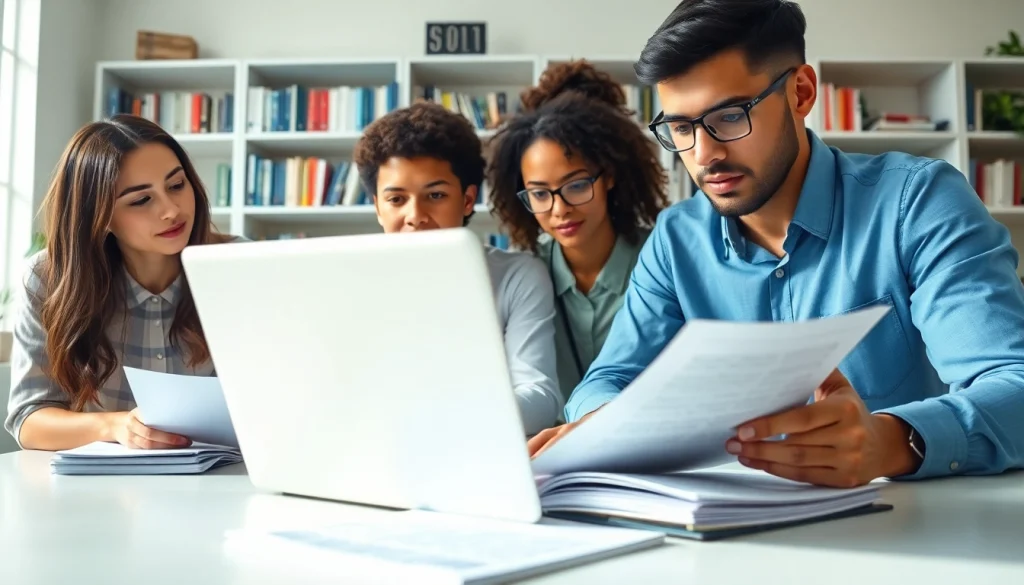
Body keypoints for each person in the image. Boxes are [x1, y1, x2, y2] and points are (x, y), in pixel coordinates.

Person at [528, 0, 1024, 487]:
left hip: (906, 530)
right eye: (681, 127)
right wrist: (607, 423)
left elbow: (1013, 385)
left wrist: (891, 442)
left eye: (729, 117)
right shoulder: (676, 240)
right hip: (723, 533)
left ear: (802, 93)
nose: (704, 155)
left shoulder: (916, 202)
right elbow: (604, 381)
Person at [4, 114, 244, 451]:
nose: (171, 210)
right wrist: (115, 425)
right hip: (104, 491)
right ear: (99, 216)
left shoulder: (239, 266)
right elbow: (29, 419)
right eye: (141, 200)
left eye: (176, 185)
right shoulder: (49, 278)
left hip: (227, 479)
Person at [353, 101, 562, 436]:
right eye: (396, 200)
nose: (415, 215)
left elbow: (539, 395)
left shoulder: (516, 276)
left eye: (435, 195)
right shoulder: (347, 280)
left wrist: (449, 424)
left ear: (467, 200)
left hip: (473, 448)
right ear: (377, 207)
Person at [488, 60, 670, 403]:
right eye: (540, 194)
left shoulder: (661, 261)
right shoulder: (525, 278)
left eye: (576, 186)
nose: (559, 210)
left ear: (609, 176)